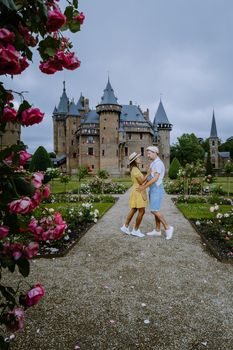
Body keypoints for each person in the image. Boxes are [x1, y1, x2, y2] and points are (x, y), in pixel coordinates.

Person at [137, 146, 174, 240]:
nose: (148, 155)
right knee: (155, 209)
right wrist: (144, 184)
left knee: (154, 210)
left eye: (149, 153)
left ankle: (168, 227)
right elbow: (150, 176)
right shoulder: (153, 163)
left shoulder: (158, 163)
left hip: (156, 188)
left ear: (155, 153)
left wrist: (144, 187)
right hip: (153, 189)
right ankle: (157, 230)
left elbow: (155, 178)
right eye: (147, 153)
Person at [121, 152, 148, 238]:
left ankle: (125, 226)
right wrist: (148, 173)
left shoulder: (134, 169)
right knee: (142, 211)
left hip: (136, 190)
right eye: (138, 158)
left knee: (134, 209)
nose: (140, 159)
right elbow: (141, 182)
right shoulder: (135, 169)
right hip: (138, 191)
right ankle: (135, 230)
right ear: (135, 160)